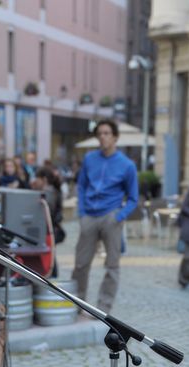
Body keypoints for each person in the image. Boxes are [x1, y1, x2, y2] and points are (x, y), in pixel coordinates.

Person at [72, 119, 139, 313]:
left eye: (107, 133)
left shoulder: (127, 165)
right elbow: (82, 186)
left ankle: (103, 308)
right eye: (100, 133)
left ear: (115, 137)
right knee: (81, 263)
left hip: (111, 216)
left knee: (112, 266)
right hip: (89, 217)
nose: (102, 137)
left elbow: (133, 198)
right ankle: (77, 304)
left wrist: (119, 216)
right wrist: (82, 213)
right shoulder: (89, 159)